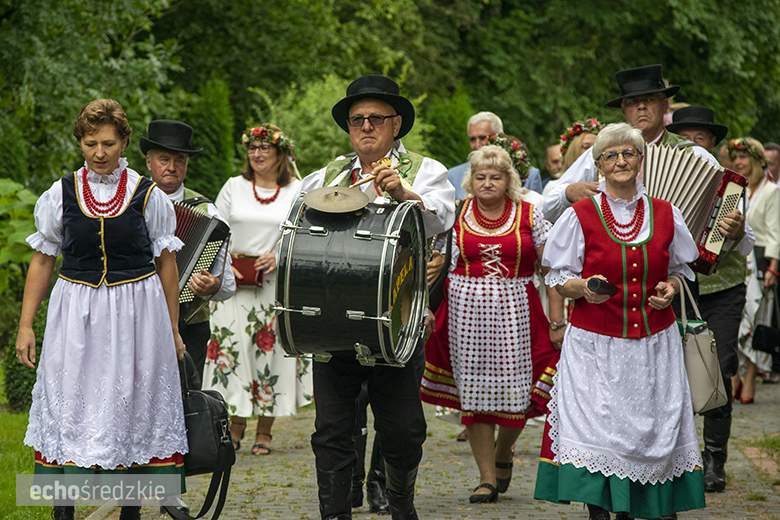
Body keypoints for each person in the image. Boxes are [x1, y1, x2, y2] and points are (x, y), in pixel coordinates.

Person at [15, 99, 188, 520]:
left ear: (124, 142)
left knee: (134, 403)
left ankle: (131, 511)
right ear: (80, 143)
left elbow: (167, 264)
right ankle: (63, 510)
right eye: (90, 143)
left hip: (137, 313)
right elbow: (42, 259)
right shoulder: (60, 193)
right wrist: (25, 326)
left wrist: (172, 328)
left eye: (107, 143)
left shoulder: (148, 196)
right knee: (69, 401)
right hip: (77, 312)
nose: (98, 152)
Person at [298, 74, 455, 520]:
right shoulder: (324, 176)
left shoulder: (426, 171)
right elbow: (294, 238)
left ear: (396, 124)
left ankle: (401, 504)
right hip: (332, 323)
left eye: (376, 119)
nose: (365, 126)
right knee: (331, 430)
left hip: (397, 324)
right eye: (356, 120)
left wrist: (404, 195)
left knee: (403, 430)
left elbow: (442, 218)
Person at [534, 123, 705, 520]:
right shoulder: (580, 215)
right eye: (611, 155)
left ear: (641, 161)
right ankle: (599, 511)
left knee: (649, 432)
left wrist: (671, 288)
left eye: (629, 153)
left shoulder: (666, 213)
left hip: (653, 343)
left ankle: (645, 508)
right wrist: (583, 288)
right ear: (599, 165)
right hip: (595, 345)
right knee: (598, 430)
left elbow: (681, 268)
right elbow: (557, 277)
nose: (621, 161)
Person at [420, 144, 563, 503]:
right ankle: (486, 477)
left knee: (525, 392)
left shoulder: (531, 214)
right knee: (476, 396)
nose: (487, 182)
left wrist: (558, 319)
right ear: (471, 181)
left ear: (509, 180)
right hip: (465, 316)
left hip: (518, 312)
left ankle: (504, 452)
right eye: (481, 176)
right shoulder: (456, 215)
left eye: (495, 176)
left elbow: (553, 270)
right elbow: (433, 266)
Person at [202, 124, 312, 456]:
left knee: (269, 353)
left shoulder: (297, 191)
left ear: (281, 154)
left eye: (265, 148)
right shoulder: (234, 187)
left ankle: (264, 430)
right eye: (252, 148)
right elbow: (214, 228)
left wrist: (278, 256)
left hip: (273, 287)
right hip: (232, 285)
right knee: (232, 350)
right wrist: (224, 264)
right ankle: (234, 425)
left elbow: (305, 233)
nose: (258, 154)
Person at [666, 105, 754, 492]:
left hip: (721, 288)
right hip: (675, 288)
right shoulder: (661, 174)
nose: (692, 146)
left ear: (713, 144)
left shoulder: (728, 186)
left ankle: (714, 458)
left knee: (715, 367)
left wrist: (734, 231)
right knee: (671, 370)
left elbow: (748, 243)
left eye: (699, 138)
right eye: (683, 138)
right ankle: (675, 456)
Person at [543, 64, 719, 224]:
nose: (641, 107)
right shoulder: (601, 153)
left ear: (665, 105)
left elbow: (726, 208)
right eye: (633, 102)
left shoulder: (694, 154)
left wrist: (734, 228)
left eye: (649, 100)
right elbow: (547, 208)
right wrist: (569, 193)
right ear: (623, 110)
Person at [141, 119, 236, 380]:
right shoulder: (129, 203)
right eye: (164, 159)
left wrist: (213, 285)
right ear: (149, 162)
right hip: (136, 319)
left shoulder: (207, 213)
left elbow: (227, 285)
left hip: (189, 326)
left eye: (180, 160)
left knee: (187, 403)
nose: (172, 167)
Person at [732, 137, 780, 404]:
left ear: (757, 160)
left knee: (756, 316)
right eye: (736, 158)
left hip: (761, 260)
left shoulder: (771, 191)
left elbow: (775, 231)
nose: (739, 163)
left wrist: (774, 266)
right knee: (739, 319)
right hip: (739, 259)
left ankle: (749, 376)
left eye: (744, 158)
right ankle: (735, 376)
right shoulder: (736, 189)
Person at [448, 111, 543, 199]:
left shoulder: (530, 176)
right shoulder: (453, 176)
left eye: (483, 138)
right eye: (472, 139)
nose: (477, 145)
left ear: (499, 138)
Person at [542, 118, 602, 198]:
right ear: (573, 151)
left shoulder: (608, 184)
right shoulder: (554, 187)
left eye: (596, 147)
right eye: (586, 147)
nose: (591, 152)